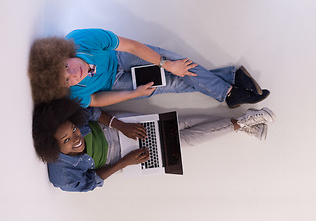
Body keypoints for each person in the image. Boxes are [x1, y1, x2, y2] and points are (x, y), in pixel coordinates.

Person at [32, 97, 275, 192]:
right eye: (67, 140)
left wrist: (120, 124)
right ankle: (243, 123)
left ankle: (243, 123)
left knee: (180, 123)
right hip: (122, 157)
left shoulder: (70, 122)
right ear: (54, 149)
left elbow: (92, 113)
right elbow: (91, 181)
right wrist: (126, 161)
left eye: (73, 130)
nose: (76, 138)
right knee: (182, 142)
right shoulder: (62, 176)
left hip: (118, 127)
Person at [28, 28, 270, 108]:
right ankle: (230, 81)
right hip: (115, 83)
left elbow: (131, 46)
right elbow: (94, 99)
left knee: (179, 65)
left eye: (65, 67)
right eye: (66, 80)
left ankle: (229, 92)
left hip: (123, 57)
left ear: (61, 54)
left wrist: (167, 63)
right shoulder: (74, 93)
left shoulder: (81, 39)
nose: (73, 75)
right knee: (172, 84)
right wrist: (134, 93)